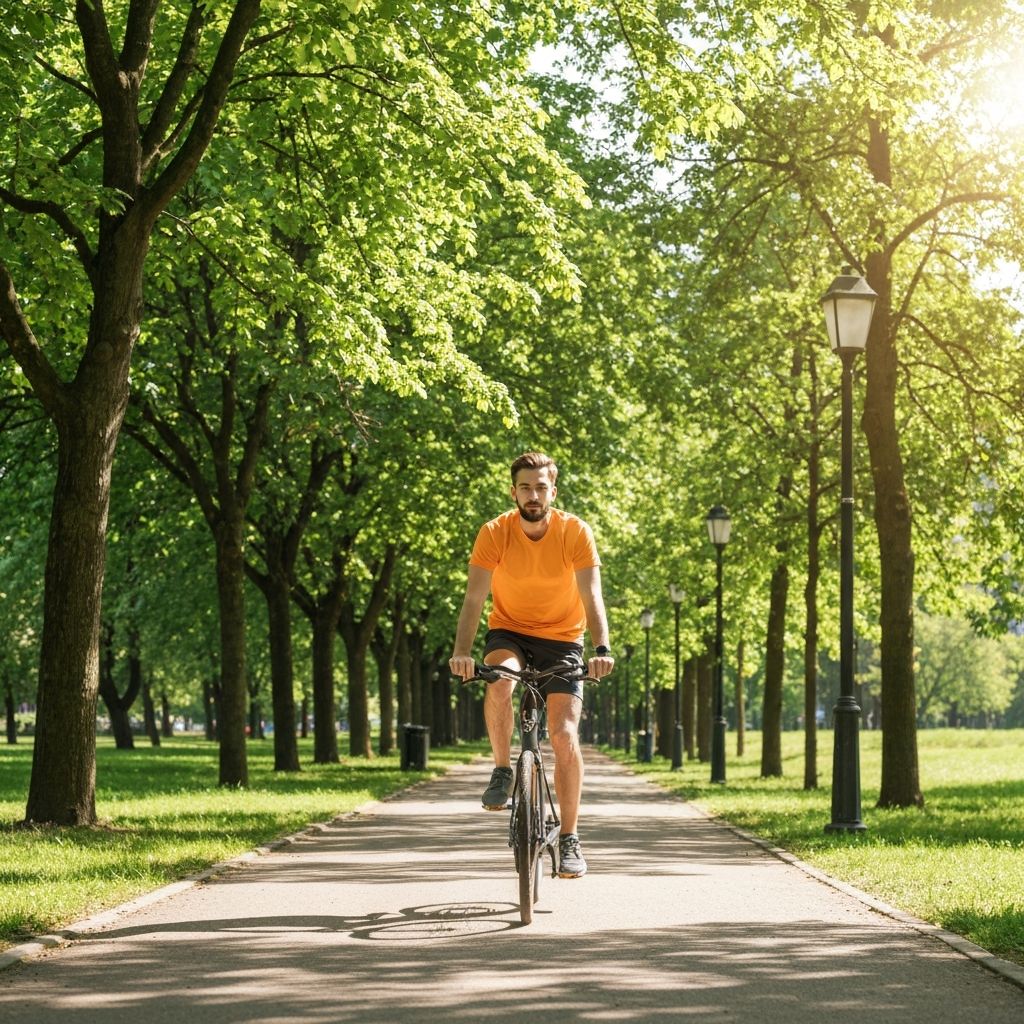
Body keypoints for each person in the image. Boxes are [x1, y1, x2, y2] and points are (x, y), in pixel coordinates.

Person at [449, 452, 614, 879]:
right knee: (500, 680)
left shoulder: (575, 532)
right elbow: (473, 599)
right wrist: (462, 652)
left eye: (541, 487)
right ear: (514, 492)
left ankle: (570, 838)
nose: (533, 495)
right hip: (510, 631)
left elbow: (592, 595)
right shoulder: (494, 533)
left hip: (563, 640)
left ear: (553, 491)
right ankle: (503, 768)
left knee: (563, 735)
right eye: (525, 487)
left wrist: (601, 648)